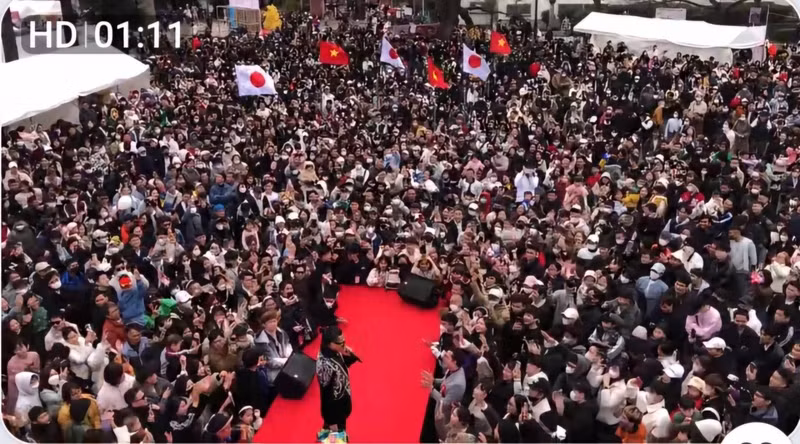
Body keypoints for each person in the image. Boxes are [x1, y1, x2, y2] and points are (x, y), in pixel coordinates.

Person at [316, 326, 359, 432]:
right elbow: (326, 395)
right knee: (335, 437)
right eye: (340, 342)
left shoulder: (334, 351)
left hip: (342, 402)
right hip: (334, 411)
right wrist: (331, 421)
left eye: (344, 340)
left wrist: (347, 354)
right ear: (330, 343)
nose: (343, 344)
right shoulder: (325, 364)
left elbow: (342, 366)